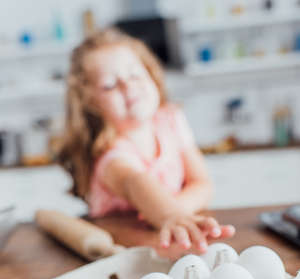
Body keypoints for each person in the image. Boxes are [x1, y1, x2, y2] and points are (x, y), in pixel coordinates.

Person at [59, 28, 235, 253]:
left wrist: (174, 214)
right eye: (110, 85)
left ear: (151, 74)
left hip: (169, 243)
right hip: (123, 255)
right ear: (91, 102)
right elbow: (134, 182)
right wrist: (170, 215)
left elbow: (202, 183)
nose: (128, 85)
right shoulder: (110, 155)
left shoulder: (170, 121)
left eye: (135, 75)